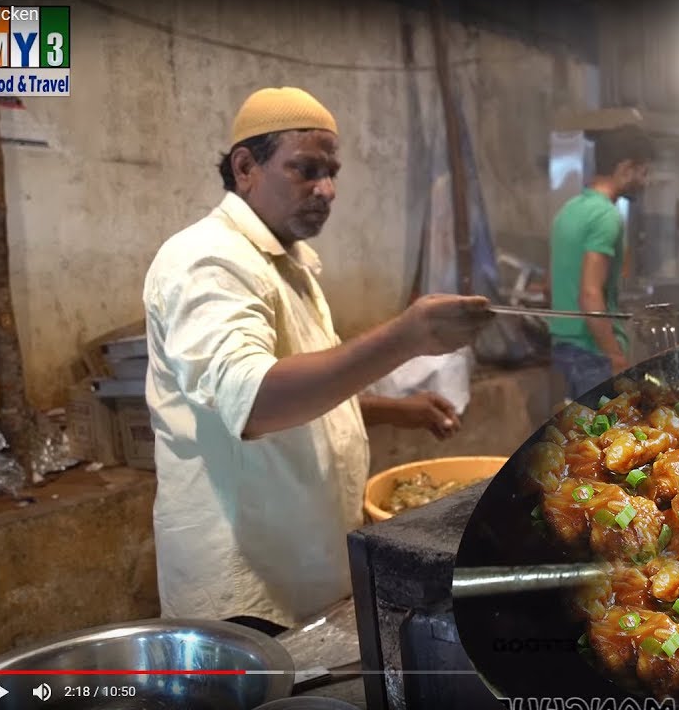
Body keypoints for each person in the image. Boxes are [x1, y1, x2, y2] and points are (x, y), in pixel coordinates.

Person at [141, 87, 493, 635]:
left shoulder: (289, 263)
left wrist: (389, 410)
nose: (325, 190)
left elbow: (304, 391)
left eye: (331, 173)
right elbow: (254, 398)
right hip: (248, 590)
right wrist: (405, 337)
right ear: (245, 167)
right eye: (304, 170)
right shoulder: (207, 259)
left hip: (305, 568)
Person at [547, 125, 656, 399]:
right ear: (626, 168)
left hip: (564, 349)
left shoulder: (568, 211)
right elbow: (590, 293)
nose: (645, 181)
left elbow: (550, 284)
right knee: (603, 438)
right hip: (592, 353)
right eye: (644, 172)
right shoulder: (606, 216)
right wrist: (615, 356)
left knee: (573, 436)